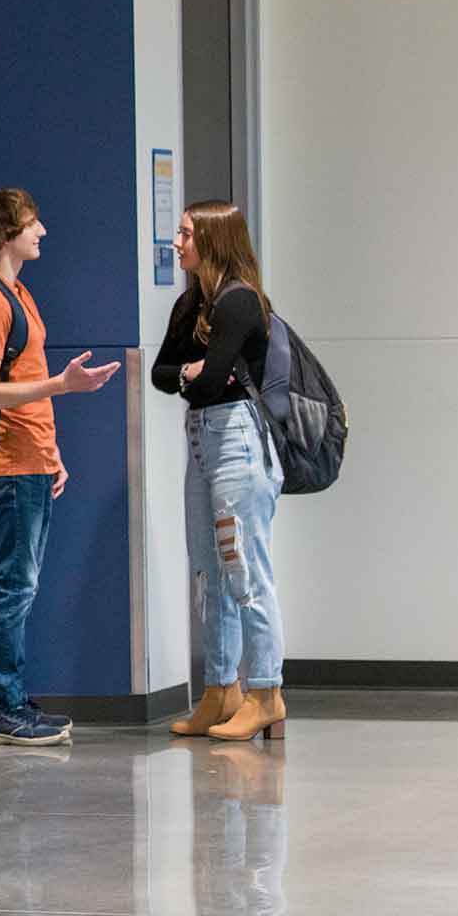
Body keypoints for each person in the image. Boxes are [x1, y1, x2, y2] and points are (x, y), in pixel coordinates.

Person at [0, 188, 121, 747]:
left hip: (28, 460)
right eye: (32, 222)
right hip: (7, 463)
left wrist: (50, 454)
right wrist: (61, 384)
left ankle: (7, 700)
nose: (42, 230)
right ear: (5, 234)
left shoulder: (17, 293)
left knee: (19, 586)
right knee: (12, 587)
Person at [155, 200, 288, 742]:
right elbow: (165, 373)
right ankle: (220, 690)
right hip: (202, 442)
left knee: (246, 572)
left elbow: (209, 384)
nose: (177, 242)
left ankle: (266, 692)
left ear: (211, 240)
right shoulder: (191, 305)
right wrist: (196, 372)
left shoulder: (239, 304)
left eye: (185, 234)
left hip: (237, 442)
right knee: (209, 573)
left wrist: (195, 375)